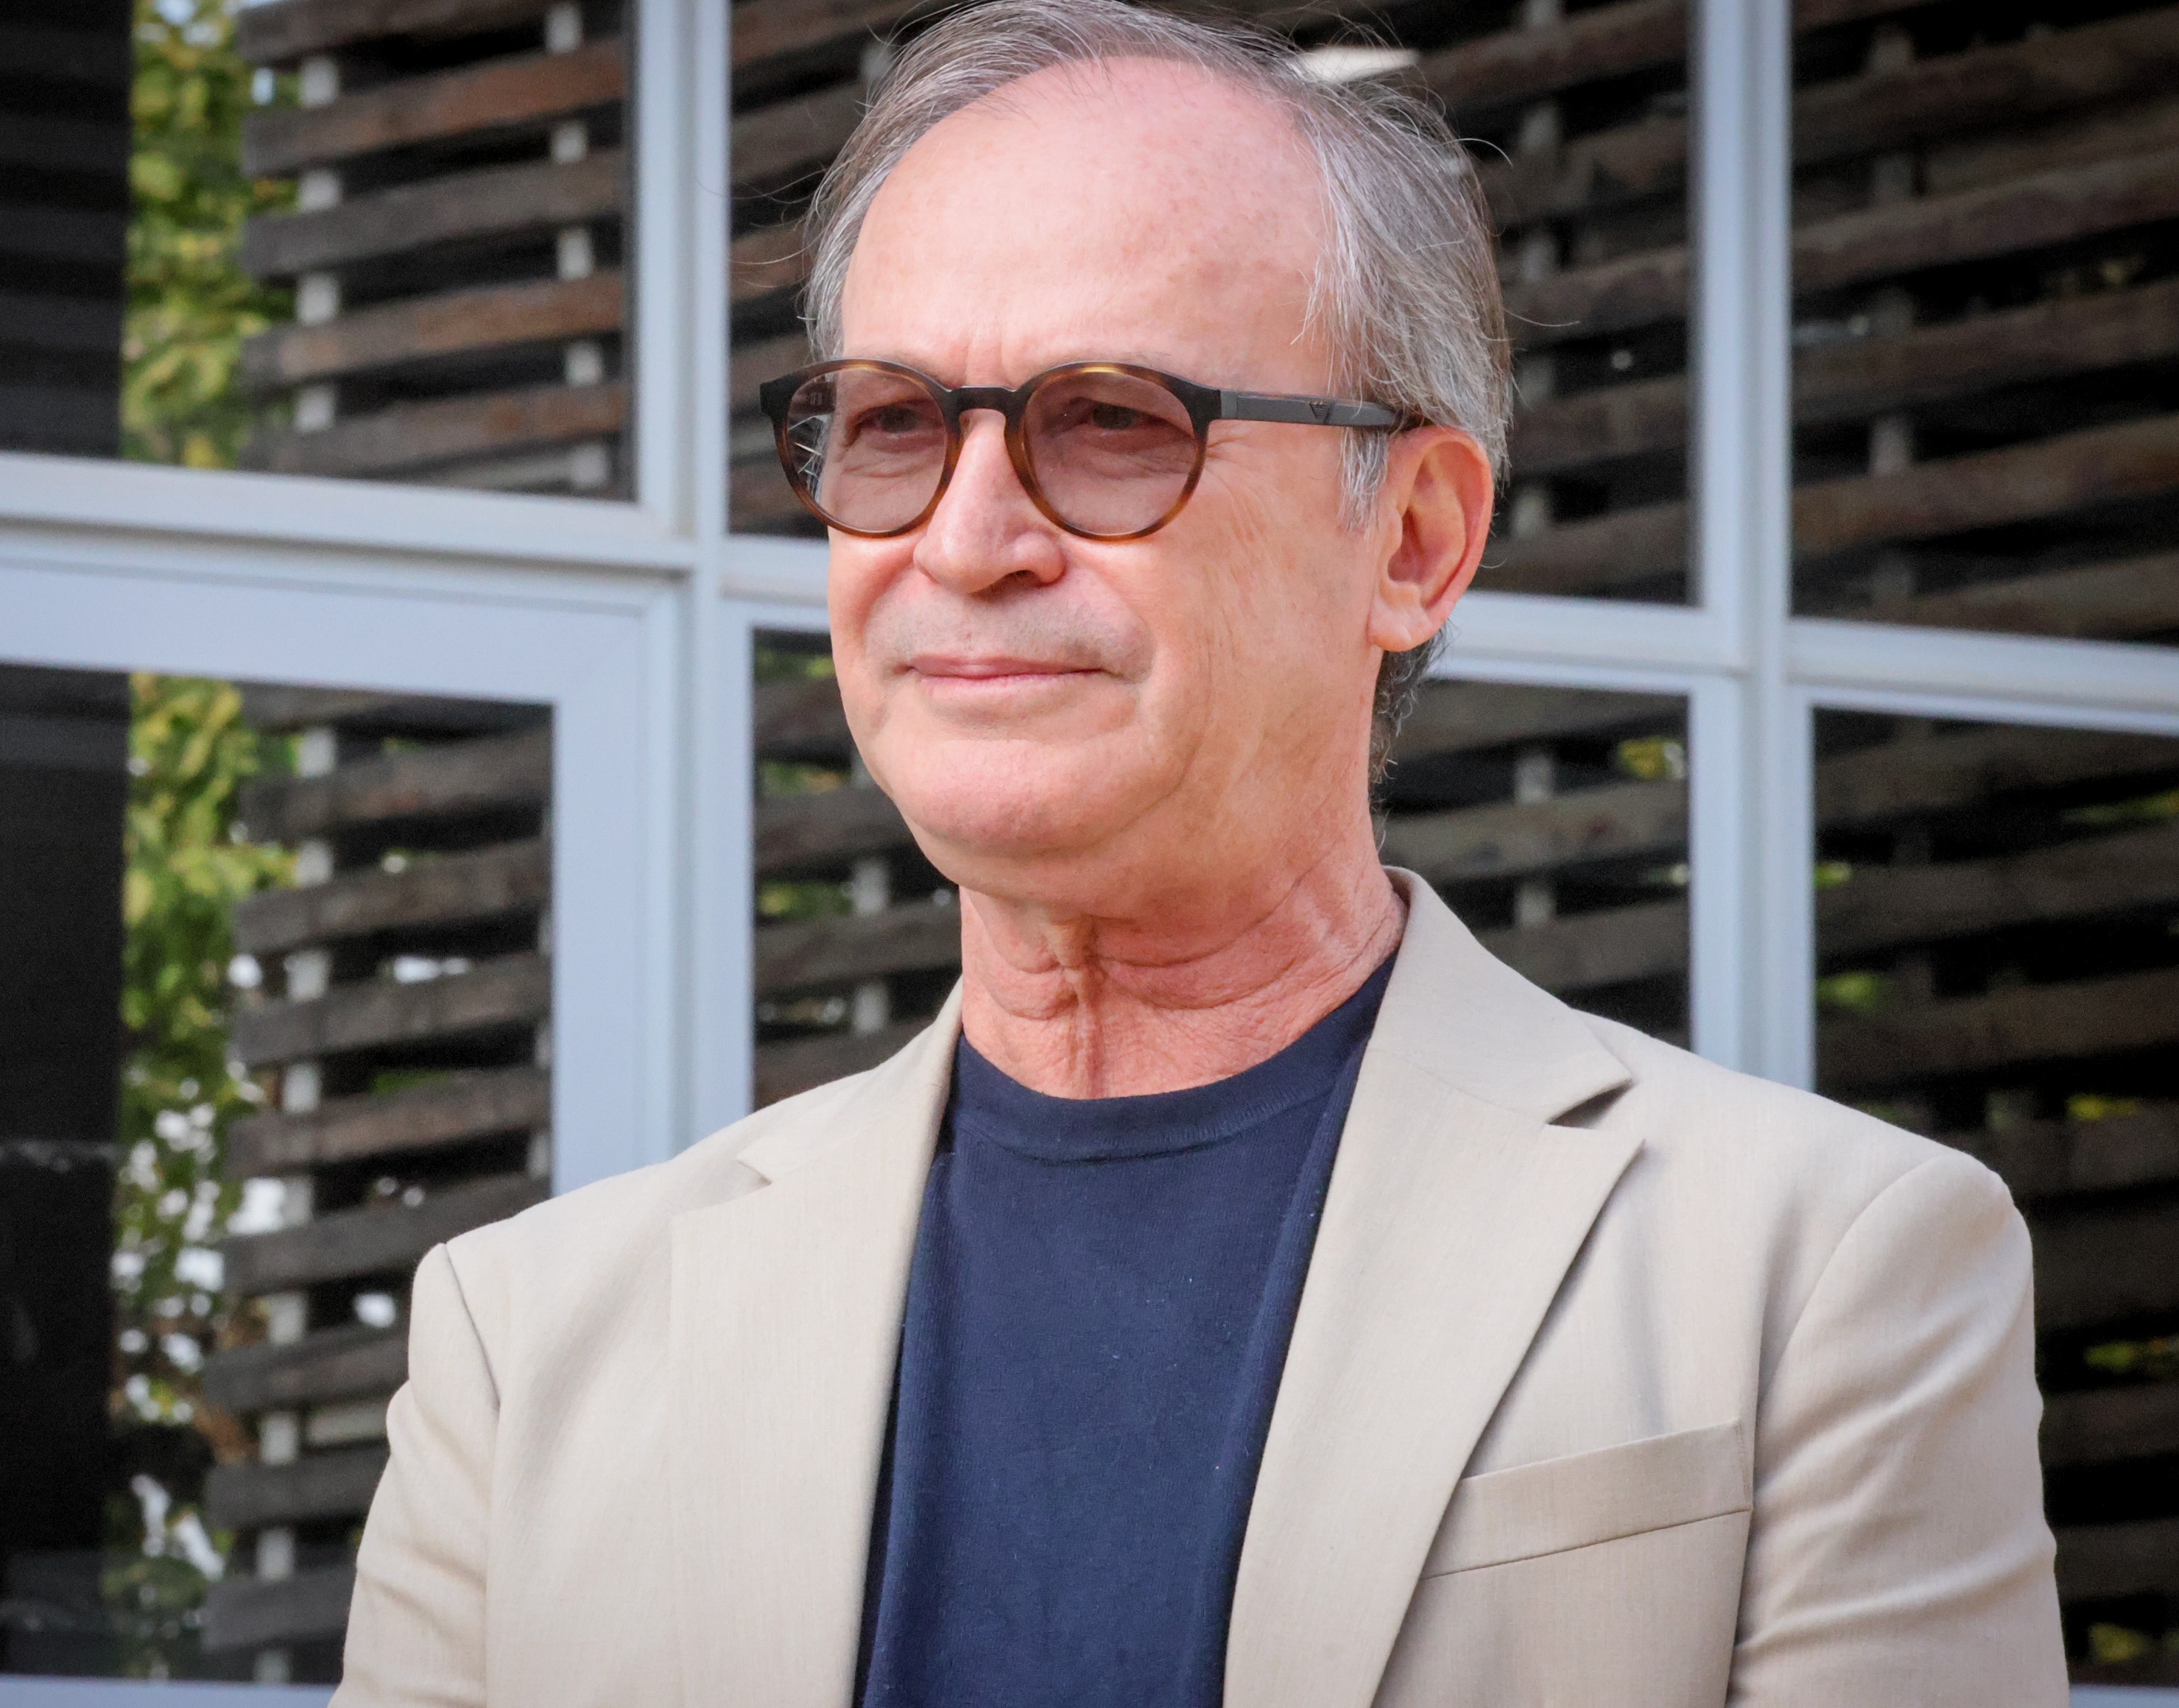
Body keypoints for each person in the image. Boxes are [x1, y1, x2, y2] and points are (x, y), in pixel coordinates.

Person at [331, 3, 2065, 1703]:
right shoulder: (527, 1345)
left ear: (1412, 537)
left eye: (1110, 420)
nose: (967, 539)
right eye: (893, 423)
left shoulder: (1814, 1274)